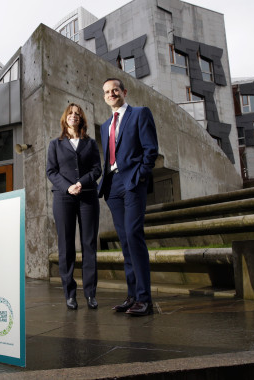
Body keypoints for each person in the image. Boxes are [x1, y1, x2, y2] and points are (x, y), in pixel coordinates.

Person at [98, 78, 159, 316]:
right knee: (125, 241)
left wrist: (141, 175)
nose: (111, 94)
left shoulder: (140, 113)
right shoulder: (105, 126)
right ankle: (133, 296)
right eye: (106, 92)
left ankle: (145, 299)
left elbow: (150, 149)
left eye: (115, 90)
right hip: (112, 186)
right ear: (104, 97)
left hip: (132, 181)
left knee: (134, 235)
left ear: (124, 92)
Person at [47, 103, 102, 310]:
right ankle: (70, 294)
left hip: (88, 197)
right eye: (70, 113)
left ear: (82, 119)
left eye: (77, 114)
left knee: (89, 245)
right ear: (65, 118)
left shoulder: (90, 143)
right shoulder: (55, 144)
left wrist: (82, 183)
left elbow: (98, 169)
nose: (74, 116)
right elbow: (51, 171)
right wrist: (68, 187)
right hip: (63, 198)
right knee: (66, 247)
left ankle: (90, 294)